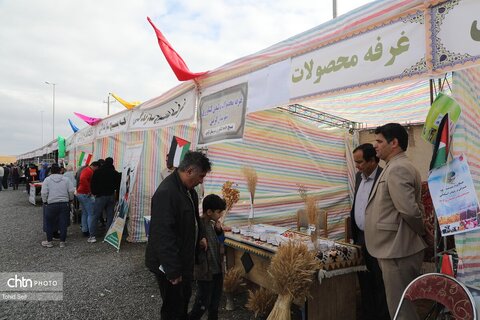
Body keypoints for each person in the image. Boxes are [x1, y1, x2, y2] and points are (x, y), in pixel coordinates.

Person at [365, 123, 426, 320]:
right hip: (394, 248)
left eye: (379, 141)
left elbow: (409, 211)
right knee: (399, 306)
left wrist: (423, 232)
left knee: (401, 310)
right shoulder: (394, 166)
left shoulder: (399, 168)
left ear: (394, 143)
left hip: (398, 250)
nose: (375, 146)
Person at [145, 151, 211, 320]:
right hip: (170, 263)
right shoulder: (167, 193)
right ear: (189, 171)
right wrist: (173, 271)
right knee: (172, 307)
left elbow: (196, 219)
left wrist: (201, 236)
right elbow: (162, 234)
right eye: (201, 176)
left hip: (185, 258)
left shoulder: (190, 191)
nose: (202, 180)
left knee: (183, 300)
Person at [350, 143, 389, 320]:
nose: (357, 166)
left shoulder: (384, 177)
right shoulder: (359, 177)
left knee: (379, 282)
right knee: (364, 280)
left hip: (378, 239)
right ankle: (367, 315)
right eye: (355, 162)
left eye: (360, 162)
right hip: (360, 237)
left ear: (373, 161)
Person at [189, 194, 226, 320]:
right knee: (202, 303)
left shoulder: (213, 224)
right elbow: (190, 243)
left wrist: (219, 231)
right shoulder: (198, 225)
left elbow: (221, 242)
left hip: (218, 271)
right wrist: (199, 241)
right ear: (209, 212)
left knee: (215, 303)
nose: (221, 215)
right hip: (205, 272)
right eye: (219, 212)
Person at [40, 163, 75, 248]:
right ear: (60, 170)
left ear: (51, 171)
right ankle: (62, 242)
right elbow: (71, 191)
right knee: (63, 223)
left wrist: (45, 201)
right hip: (64, 203)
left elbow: (44, 192)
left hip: (51, 204)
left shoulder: (47, 180)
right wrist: (70, 199)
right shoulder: (66, 179)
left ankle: (49, 242)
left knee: (49, 223)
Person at [90, 157, 120, 234]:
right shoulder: (115, 173)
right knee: (110, 216)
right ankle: (108, 233)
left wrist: (94, 192)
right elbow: (118, 185)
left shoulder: (97, 172)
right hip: (111, 195)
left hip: (100, 196)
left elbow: (93, 183)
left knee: (95, 215)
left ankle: (92, 235)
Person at [77, 161, 100, 241]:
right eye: (97, 168)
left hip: (80, 193)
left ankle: (85, 230)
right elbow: (82, 179)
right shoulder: (89, 171)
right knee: (91, 213)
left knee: (85, 213)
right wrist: (89, 190)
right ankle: (91, 233)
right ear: (95, 166)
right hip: (85, 194)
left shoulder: (86, 169)